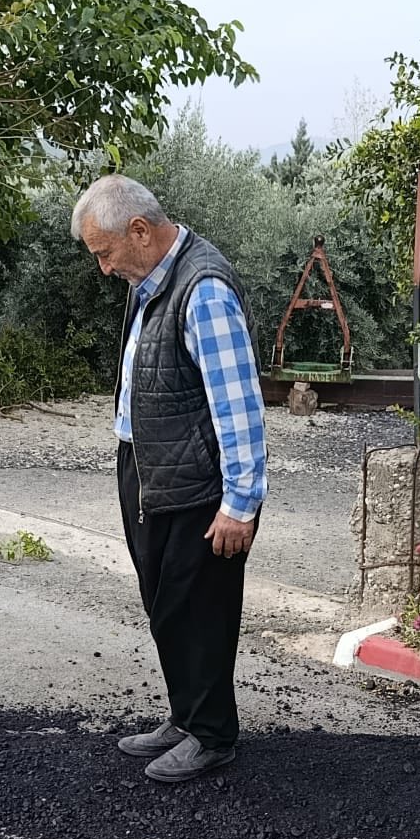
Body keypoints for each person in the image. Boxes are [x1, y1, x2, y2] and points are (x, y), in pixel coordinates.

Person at [71, 175, 267, 783]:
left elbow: (239, 404)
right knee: (166, 604)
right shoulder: (151, 282)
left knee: (199, 609)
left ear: (139, 230)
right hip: (150, 467)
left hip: (198, 483)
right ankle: (186, 717)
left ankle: (211, 735)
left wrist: (240, 503)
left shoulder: (202, 289)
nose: (104, 268)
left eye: (105, 252)